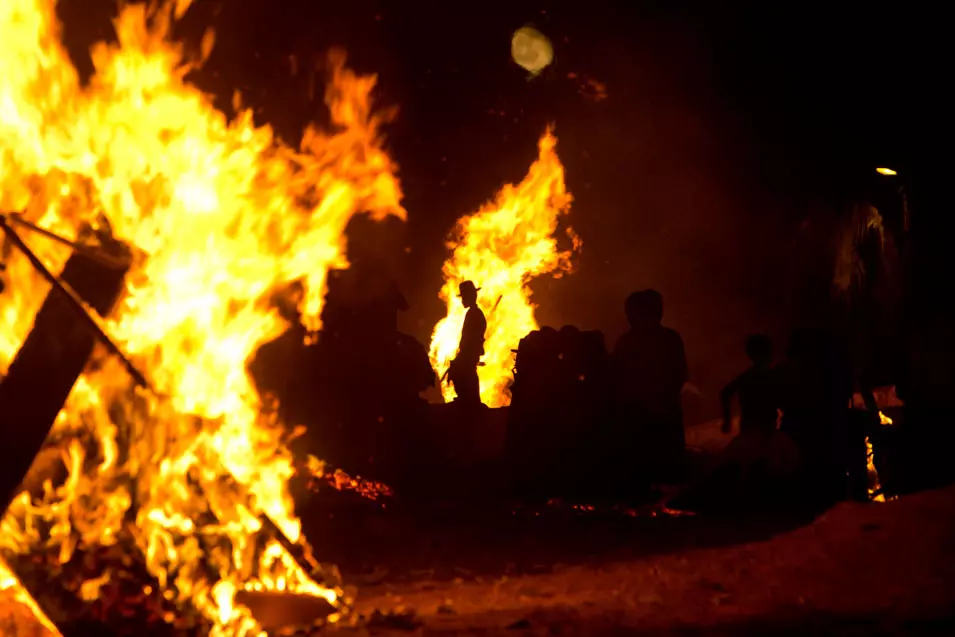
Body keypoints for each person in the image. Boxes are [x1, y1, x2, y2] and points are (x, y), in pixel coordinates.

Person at [612, 289, 687, 486]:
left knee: (650, 463)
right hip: (654, 410)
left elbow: (617, 376)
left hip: (648, 412)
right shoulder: (669, 338)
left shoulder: (629, 342)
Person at [721, 334, 778, 436]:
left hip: (750, 429)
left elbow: (725, 393)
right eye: (768, 351)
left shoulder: (745, 377)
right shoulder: (773, 376)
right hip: (766, 429)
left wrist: (727, 421)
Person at [448, 280, 487, 406]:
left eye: (464, 297)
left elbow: (472, 336)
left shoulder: (474, 314)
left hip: (469, 352)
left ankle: (468, 400)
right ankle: (468, 399)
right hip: (469, 351)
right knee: (465, 373)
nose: (462, 300)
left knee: (461, 371)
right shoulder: (473, 313)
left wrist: (464, 352)